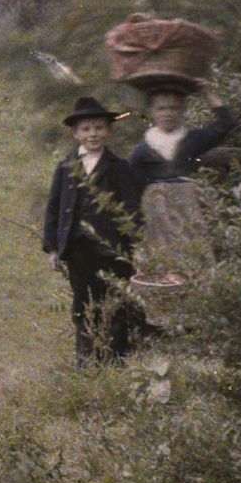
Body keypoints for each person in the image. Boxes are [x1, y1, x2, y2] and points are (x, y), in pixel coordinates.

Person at [42, 96, 145, 366]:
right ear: (76, 133)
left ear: (109, 131)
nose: (93, 134)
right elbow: (55, 207)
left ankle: (116, 360)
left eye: (99, 128)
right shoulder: (66, 167)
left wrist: (137, 246)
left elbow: (132, 209)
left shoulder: (118, 167)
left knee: (116, 303)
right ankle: (87, 360)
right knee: (83, 304)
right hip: (79, 251)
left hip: (112, 251)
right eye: (86, 129)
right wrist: (52, 247)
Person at [126, 85, 238, 291]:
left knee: (192, 252)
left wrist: (207, 92)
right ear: (151, 112)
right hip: (156, 210)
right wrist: (136, 227)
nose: (167, 113)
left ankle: (195, 299)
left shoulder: (191, 139)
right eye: (161, 108)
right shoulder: (141, 150)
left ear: (183, 111)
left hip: (187, 207)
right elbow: (132, 190)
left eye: (174, 108)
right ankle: (163, 303)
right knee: (161, 257)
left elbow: (227, 123)